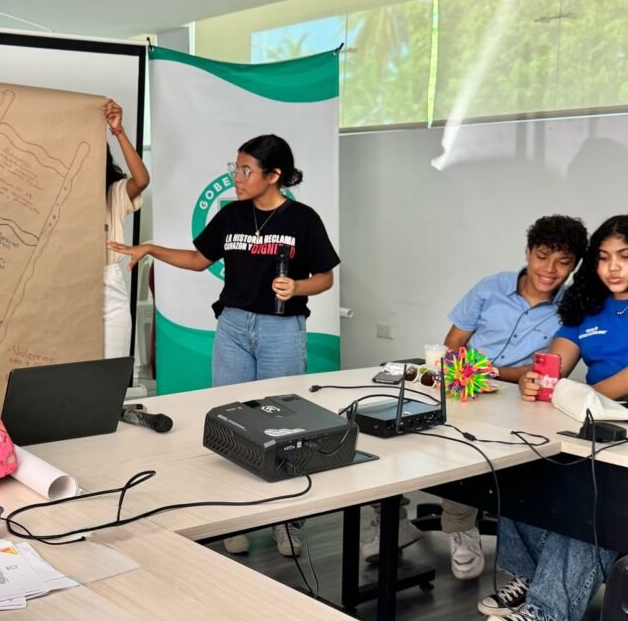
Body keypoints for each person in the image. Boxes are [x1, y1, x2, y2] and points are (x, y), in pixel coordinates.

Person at [109, 134, 339, 557]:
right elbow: (199, 260)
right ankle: (234, 516)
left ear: (274, 176)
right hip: (233, 326)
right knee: (232, 421)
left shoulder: (302, 219)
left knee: (282, 423)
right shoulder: (233, 215)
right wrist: (150, 248)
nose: (237, 176)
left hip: (281, 331)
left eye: (246, 170)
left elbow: (325, 277)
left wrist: (298, 286)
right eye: (235, 167)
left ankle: (286, 521)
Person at [362, 216, 589, 576]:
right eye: (543, 256)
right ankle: (391, 523)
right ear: (528, 252)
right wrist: (466, 373)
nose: (550, 270)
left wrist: (488, 373)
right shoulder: (492, 287)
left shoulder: (573, 307)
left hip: (516, 399)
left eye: (563, 262)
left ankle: (460, 529)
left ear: (575, 265)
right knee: (388, 433)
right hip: (459, 382)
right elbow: (454, 342)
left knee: (464, 450)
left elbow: (545, 373)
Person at [479, 215, 627, 621]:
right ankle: (530, 576)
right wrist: (536, 381)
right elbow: (552, 365)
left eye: (624, 258)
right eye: (603, 259)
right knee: (525, 467)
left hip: (614, 422)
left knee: (589, 497)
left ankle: (548, 616)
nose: (612, 268)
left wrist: (574, 394)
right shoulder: (591, 310)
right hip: (593, 416)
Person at [102, 98, 150, 358]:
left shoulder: (113, 192)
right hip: (69, 284)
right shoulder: (57, 195)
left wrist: (118, 131)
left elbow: (142, 179)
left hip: (108, 283)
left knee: (111, 368)